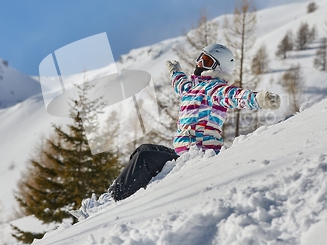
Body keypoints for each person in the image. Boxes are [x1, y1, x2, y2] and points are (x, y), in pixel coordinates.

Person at [107, 43, 281, 202]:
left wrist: (259, 99)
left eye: (205, 61)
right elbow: (180, 83)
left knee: (144, 159)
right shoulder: (191, 88)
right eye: (199, 58)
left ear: (217, 67)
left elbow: (235, 96)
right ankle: (122, 191)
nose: (199, 64)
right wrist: (174, 70)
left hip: (199, 157)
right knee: (143, 149)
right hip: (182, 156)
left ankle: (115, 200)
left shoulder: (215, 88)